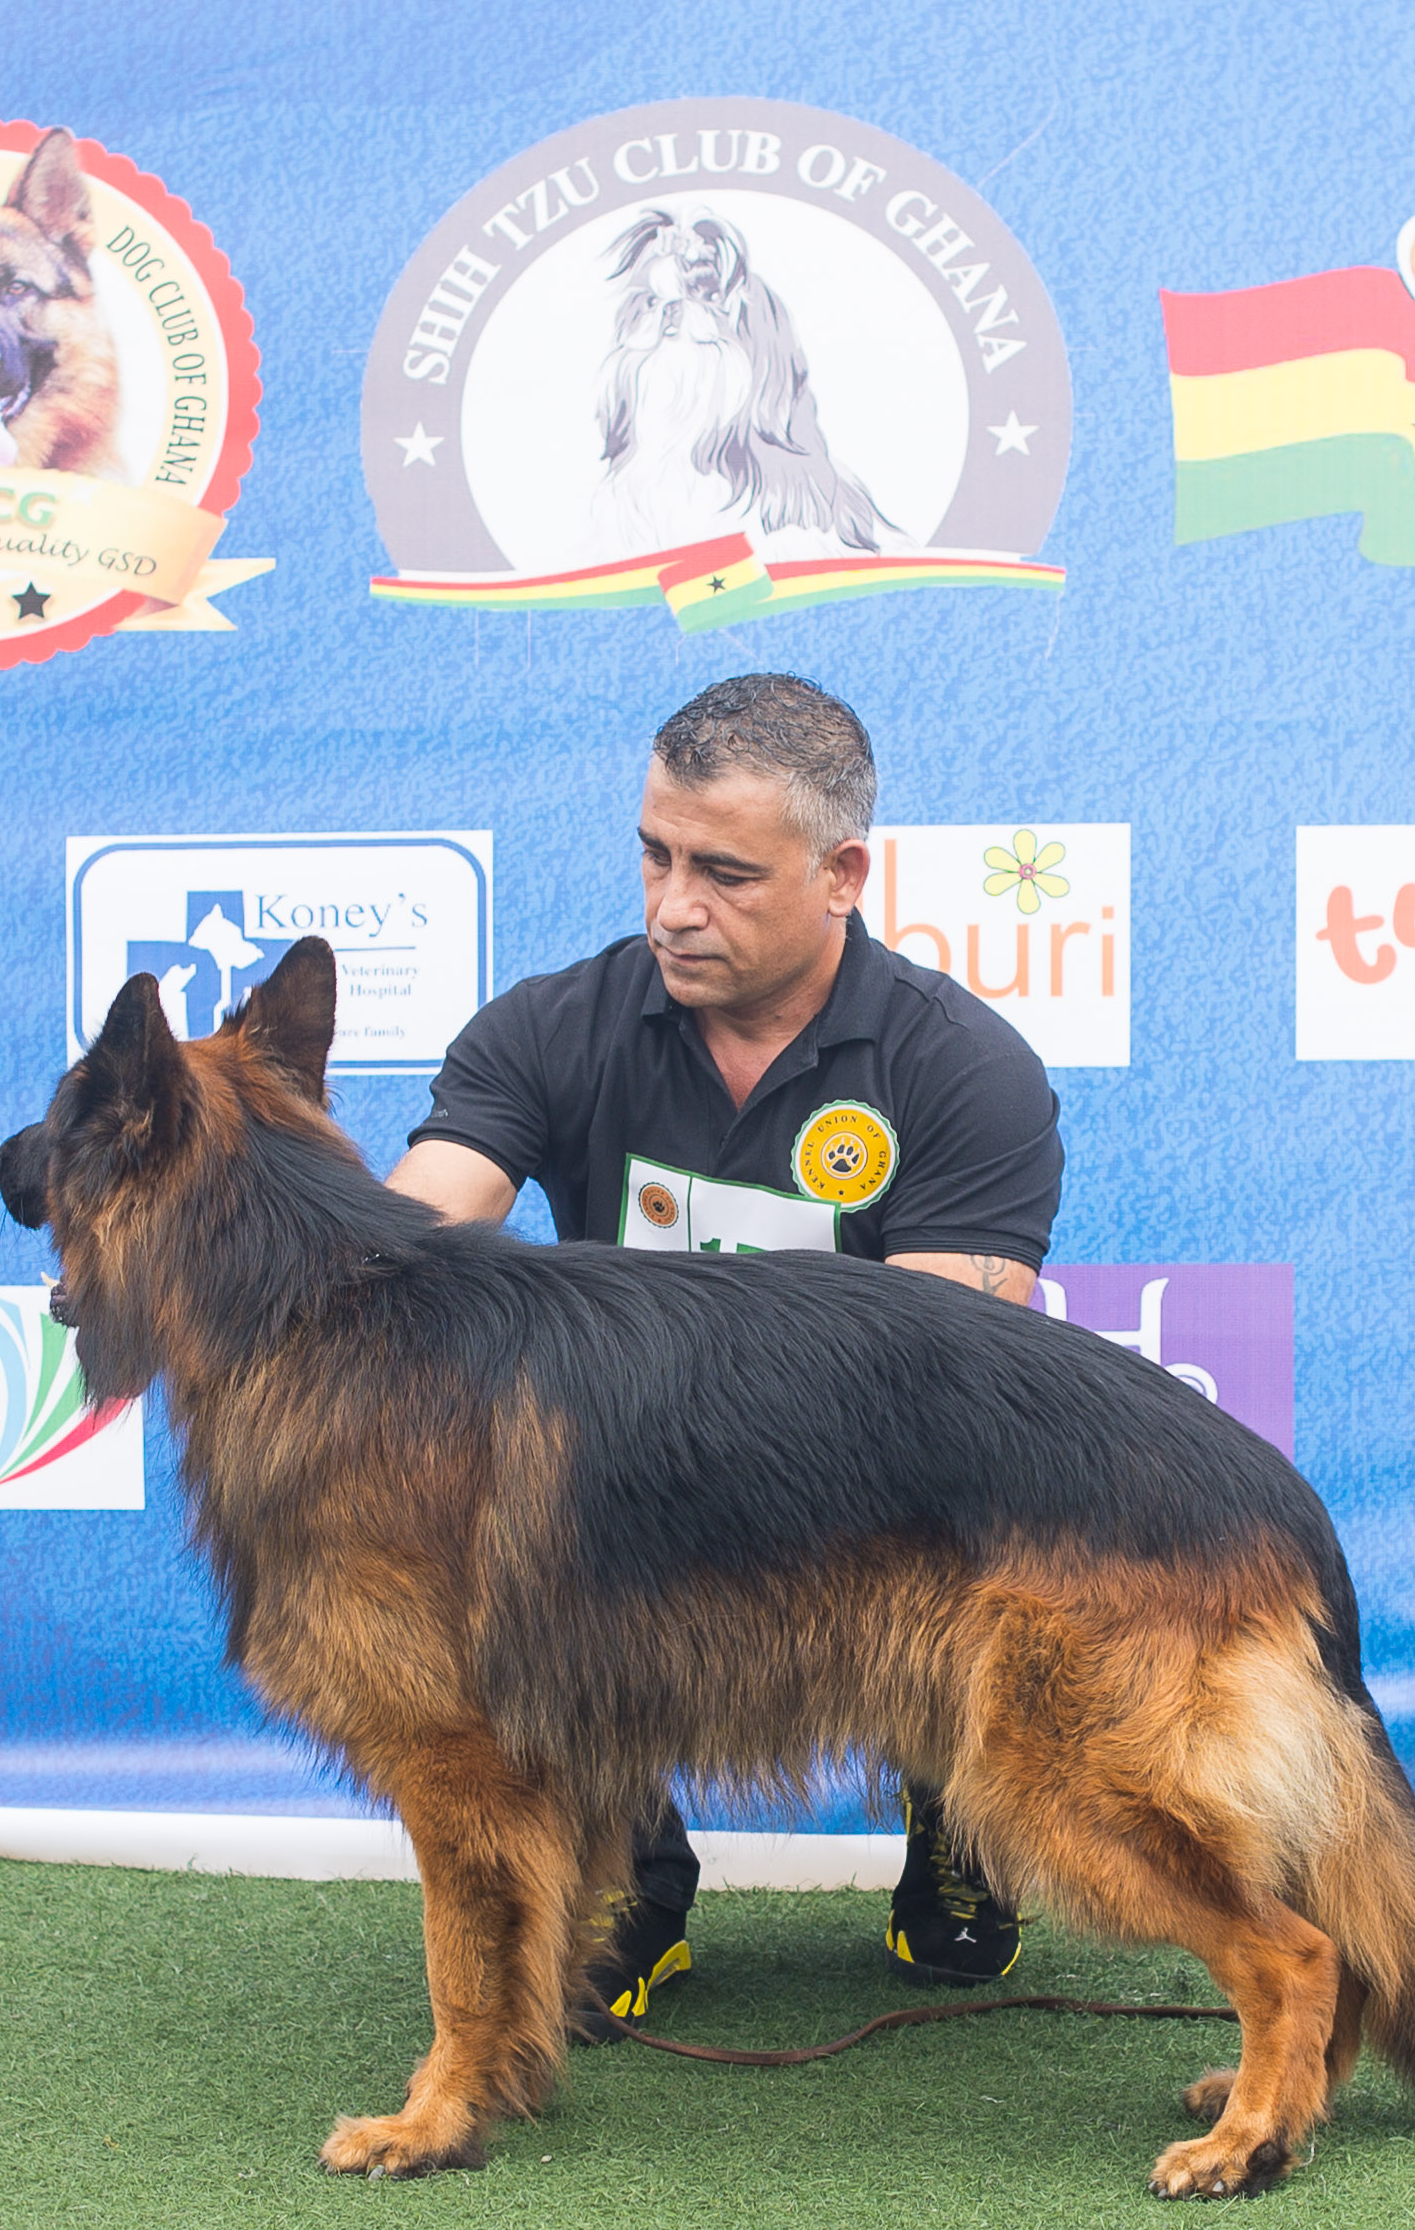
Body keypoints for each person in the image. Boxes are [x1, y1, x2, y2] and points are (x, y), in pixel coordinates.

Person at [389, 672, 1066, 2024]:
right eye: (656, 855)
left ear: (842, 876)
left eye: (725, 874)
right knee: (493, 1507)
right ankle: (632, 1876)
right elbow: (411, 1242)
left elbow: (949, 1377)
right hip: (625, 1484)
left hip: (878, 1485)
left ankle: (958, 1808)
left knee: (992, 1500)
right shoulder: (548, 1026)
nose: (672, 907)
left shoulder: (965, 1067)